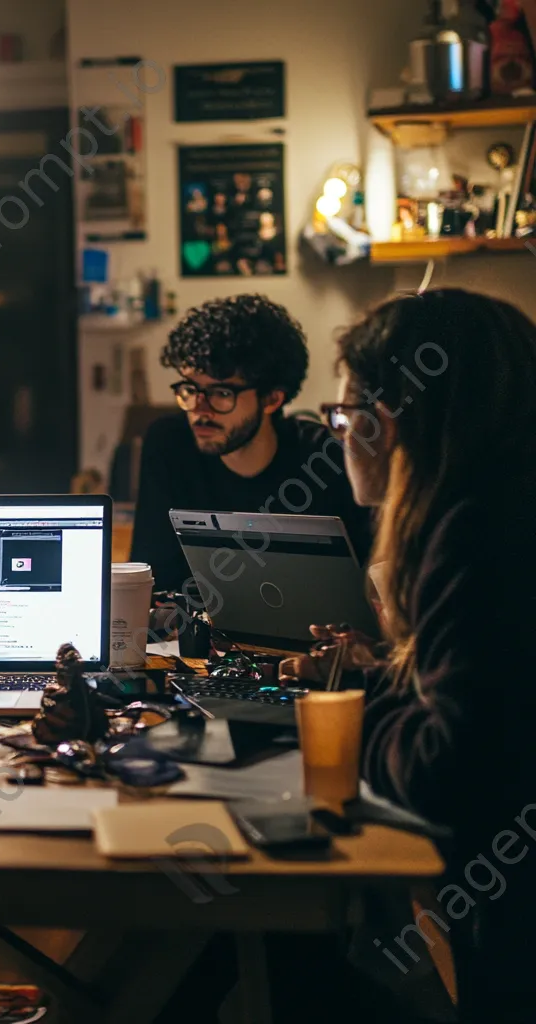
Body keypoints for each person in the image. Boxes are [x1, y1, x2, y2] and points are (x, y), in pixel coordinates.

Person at [281, 288, 536, 1023]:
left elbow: (447, 770)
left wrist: (356, 708)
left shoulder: (475, 533)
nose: (336, 435)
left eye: (341, 416)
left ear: (386, 423)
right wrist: (383, 675)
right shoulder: (505, 505)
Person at [131, 294, 372, 592]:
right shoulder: (169, 444)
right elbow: (150, 577)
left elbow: (365, 582)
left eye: (221, 393)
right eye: (190, 389)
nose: (199, 410)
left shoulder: (325, 457)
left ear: (272, 399)